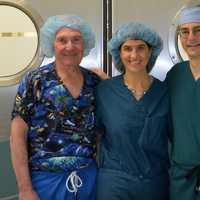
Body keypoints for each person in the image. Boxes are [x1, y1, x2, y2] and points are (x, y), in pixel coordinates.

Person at [10, 14, 101, 200]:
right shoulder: (35, 80)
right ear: (52, 44)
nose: (70, 46)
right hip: (45, 182)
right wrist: (25, 189)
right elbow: (17, 137)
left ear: (85, 45)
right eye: (62, 40)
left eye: (76, 40)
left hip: (89, 180)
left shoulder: (95, 82)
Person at [95, 22, 171, 200]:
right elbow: (93, 135)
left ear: (150, 51)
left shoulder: (165, 92)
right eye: (127, 48)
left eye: (141, 48)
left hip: (154, 185)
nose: (134, 55)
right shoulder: (104, 91)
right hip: (114, 184)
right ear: (119, 54)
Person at [166, 6, 200, 200]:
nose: (191, 38)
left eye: (198, 30)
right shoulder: (176, 75)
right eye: (184, 31)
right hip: (181, 180)